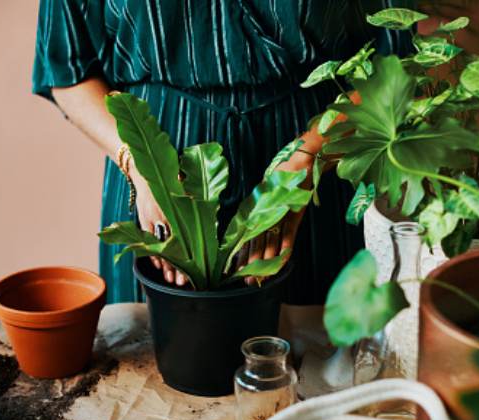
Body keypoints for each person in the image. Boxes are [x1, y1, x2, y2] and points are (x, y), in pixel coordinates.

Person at [33, 0, 412, 304]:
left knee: (317, 376)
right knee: (148, 371)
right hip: (155, 170)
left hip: (315, 174)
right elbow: (67, 69)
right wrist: (142, 164)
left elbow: (397, 62)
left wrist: (309, 159)